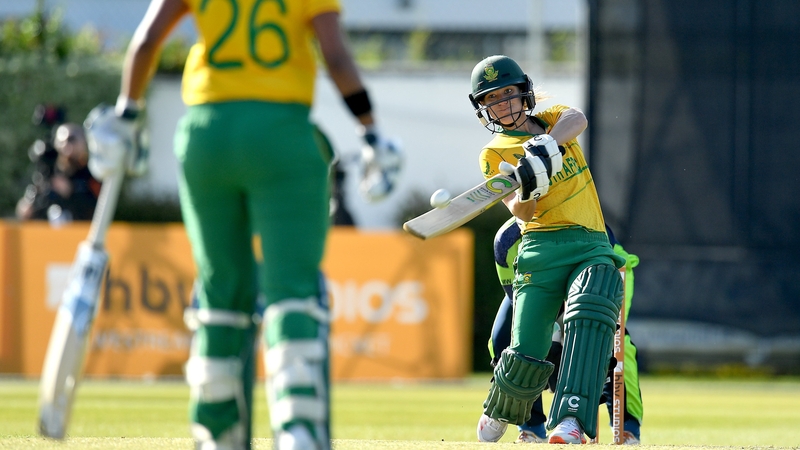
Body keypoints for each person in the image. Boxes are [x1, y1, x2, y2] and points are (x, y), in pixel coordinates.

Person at [99, 1, 399, 448]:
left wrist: (126, 114)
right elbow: (335, 56)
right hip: (282, 132)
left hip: (206, 134)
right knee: (292, 290)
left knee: (221, 290)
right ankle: (299, 429)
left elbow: (145, 42)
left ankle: (216, 430)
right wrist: (370, 129)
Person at [469, 54, 626, 444]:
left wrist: (544, 147)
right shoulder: (494, 155)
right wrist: (528, 185)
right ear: (483, 107)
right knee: (528, 349)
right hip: (540, 246)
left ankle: (571, 419)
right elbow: (521, 213)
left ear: (525, 92)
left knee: (591, 315)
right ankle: (503, 406)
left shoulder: (553, 117)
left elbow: (579, 118)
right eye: (492, 99)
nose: (503, 104)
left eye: (509, 93)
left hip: (590, 240)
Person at [488, 218, 644, 444]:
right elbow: (520, 303)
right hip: (540, 281)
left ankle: (627, 427)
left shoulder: (573, 216)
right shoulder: (507, 242)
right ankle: (530, 427)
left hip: (605, 266)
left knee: (612, 340)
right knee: (505, 338)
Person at [16, 123, 101, 223]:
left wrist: (71, 191)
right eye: (62, 141)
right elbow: (25, 210)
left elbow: (98, 208)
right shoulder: (47, 172)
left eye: (72, 139)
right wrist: (28, 204)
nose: (66, 145)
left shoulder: (92, 173)